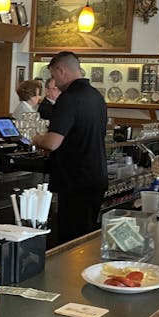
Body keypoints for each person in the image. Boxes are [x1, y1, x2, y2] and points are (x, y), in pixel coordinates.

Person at [31, 51, 107, 244]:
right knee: (87, 239)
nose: (54, 82)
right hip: (96, 175)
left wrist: (35, 138)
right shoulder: (96, 96)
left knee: (70, 243)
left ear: (61, 70)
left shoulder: (69, 98)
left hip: (75, 181)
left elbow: (52, 142)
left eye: (54, 76)